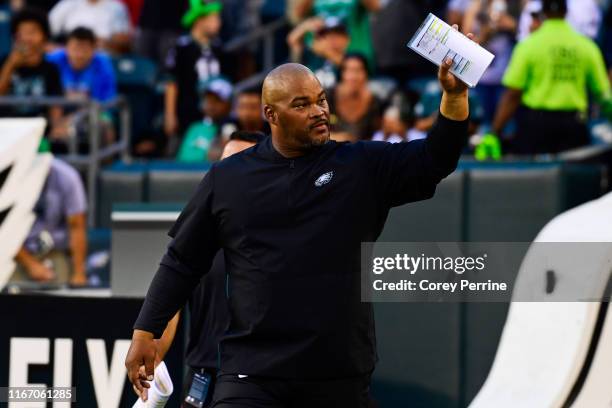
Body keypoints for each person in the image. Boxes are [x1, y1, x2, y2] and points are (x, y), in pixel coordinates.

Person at [125, 46, 470, 406]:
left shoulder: (360, 166)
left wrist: (455, 96)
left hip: (338, 376)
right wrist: (144, 331)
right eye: (302, 104)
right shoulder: (227, 178)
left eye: (321, 100)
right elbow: (182, 260)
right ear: (271, 114)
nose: (319, 111)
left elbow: (436, 158)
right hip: (252, 375)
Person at [135, 131, 267, 407]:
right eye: (224, 164)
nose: (229, 174)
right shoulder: (199, 231)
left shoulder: (281, 235)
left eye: (240, 164)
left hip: (257, 382)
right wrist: (153, 348)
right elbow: (174, 301)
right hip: (201, 380)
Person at [490, 0, 611, 155]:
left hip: (536, 126)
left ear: (543, 14)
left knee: (537, 177)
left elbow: (512, 94)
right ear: (566, 13)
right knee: (573, 176)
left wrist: (496, 131)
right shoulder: (586, 46)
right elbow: (603, 95)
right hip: (573, 126)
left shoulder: (528, 45)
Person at [11, 157, 88, 286]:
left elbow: (76, 227)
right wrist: (30, 264)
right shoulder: (10, 176)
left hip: (54, 250)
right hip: (16, 253)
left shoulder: (67, 177)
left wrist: (79, 273)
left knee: (61, 290)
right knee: (9, 291)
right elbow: (4, 232)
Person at [163, 1, 230, 145]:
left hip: (217, 113)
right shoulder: (181, 48)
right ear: (199, 21)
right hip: (188, 110)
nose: (218, 23)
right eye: (214, 18)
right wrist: (170, 114)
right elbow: (171, 82)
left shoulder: (219, 48)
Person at [0, 7, 63, 135]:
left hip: (40, 132)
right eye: (23, 32)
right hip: (6, 130)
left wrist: (57, 128)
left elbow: (56, 106)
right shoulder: (4, 62)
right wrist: (10, 66)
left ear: (44, 36)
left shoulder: (51, 68)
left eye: (33, 32)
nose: (28, 38)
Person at [292, 0, 380, 69]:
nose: (332, 38)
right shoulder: (314, 45)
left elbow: (376, 8)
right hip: (318, 63)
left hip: (354, 53)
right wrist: (306, 26)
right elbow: (297, 14)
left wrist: (329, 53)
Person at [47, 26, 117, 103]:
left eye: (84, 50)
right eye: (75, 49)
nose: (79, 55)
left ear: (93, 50)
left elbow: (106, 102)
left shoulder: (102, 64)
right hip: (59, 112)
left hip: (92, 112)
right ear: (66, 48)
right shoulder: (53, 60)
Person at [176, 77, 236, 163]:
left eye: (217, 101)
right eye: (208, 100)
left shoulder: (232, 128)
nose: (211, 105)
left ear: (229, 104)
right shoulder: (194, 127)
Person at [327, 53, 382, 142]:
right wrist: (335, 138)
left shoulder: (375, 102)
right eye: (348, 70)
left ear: (366, 74)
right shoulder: (327, 96)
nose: (353, 77)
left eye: (358, 70)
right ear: (342, 73)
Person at [287, 17, 350, 89]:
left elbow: (345, 64)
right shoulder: (313, 55)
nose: (332, 38)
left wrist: (326, 51)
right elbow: (293, 40)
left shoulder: (351, 59)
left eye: (337, 34)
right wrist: (307, 26)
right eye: (328, 34)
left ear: (347, 39)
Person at [49, 0, 133, 53]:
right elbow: (47, 32)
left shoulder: (116, 7)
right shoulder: (67, 3)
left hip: (103, 57)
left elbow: (123, 45)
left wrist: (96, 43)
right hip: (68, 55)